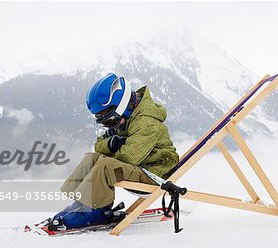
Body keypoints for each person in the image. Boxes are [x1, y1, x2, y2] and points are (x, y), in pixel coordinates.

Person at [47, 73, 179, 230]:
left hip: (155, 173)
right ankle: (83, 202)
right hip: (141, 165)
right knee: (93, 158)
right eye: (105, 123)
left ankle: (97, 212)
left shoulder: (147, 123)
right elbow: (98, 146)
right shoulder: (126, 119)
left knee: (105, 164)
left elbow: (129, 157)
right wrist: (111, 143)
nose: (111, 126)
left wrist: (111, 152)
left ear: (124, 106)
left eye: (111, 120)